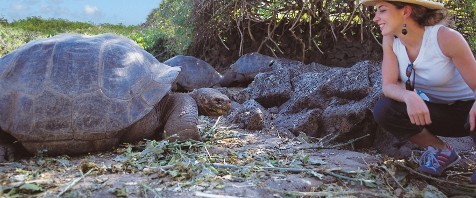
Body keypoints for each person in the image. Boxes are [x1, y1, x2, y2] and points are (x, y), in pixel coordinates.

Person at [360, 0, 476, 182]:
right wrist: (408, 96)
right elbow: (389, 85)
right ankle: (441, 151)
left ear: (405, 11)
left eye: (382, 10)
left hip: (472, 112)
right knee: (385, 110)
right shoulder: (390, 41)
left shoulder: (445, 38)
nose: (375, 18)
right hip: (443, 114)